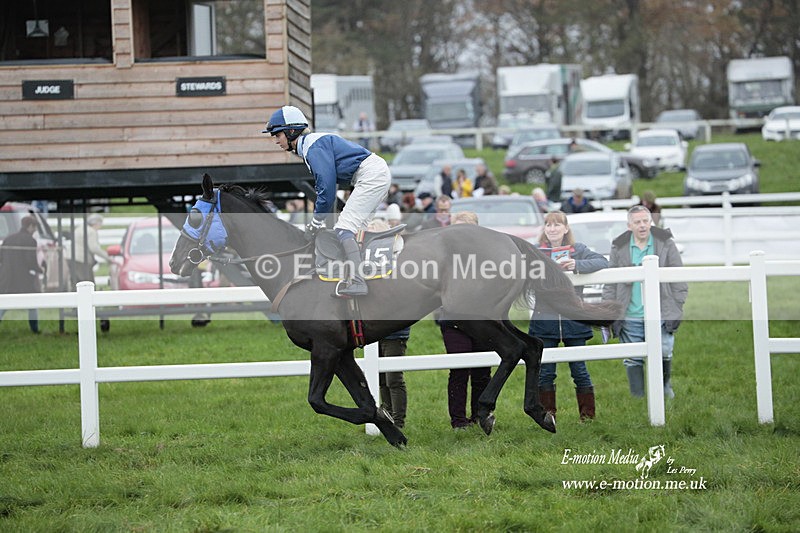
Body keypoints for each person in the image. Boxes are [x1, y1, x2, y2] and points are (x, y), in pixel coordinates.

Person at [264, 105, 391, 297]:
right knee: (355, 230)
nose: (276, 141)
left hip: (370, 174)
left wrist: (315, 222)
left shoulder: (312, 147)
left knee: (344, 228)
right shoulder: (311, 145)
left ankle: (358, 282)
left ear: (291, 132)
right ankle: (367, 277)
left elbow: (327, 189)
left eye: (277, 135)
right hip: (372, 173)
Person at [528, 211, 609, 421]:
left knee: (580, 370)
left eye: (557, 225)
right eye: (548, 225)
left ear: (566, 228)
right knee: (545, 371)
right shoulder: (536, 252)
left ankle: (588, 417)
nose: (552, 229)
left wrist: (577, 266)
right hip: (544, 320)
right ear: (544, 229)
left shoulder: (578, 250)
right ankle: (548, 416)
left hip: (574, 321)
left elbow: (602, 261)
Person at [602, 205, 688, 399]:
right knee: (633, 358)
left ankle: (664, 389)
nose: (642, 226)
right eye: (637, 222)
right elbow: (610, 282)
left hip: (661, 312)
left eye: (645, 221)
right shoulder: (619, 246)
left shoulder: (665, 243)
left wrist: (677, 305)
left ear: (651, 222)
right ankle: (638, 397)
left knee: (665, 350)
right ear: (629, 225)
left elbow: (679, 277)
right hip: (630, 313)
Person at [439, 210, 492, 429]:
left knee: (482, 371)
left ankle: (480, 415)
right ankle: (459, 421)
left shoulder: (488, 254)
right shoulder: (443, 255)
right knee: (459, 368)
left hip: (483, 320)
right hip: (454, 320)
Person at [368, 217, 409, 428]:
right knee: (380, 378)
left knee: (393, 377)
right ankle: (387, 416)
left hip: (394, 330)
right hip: (374, 329)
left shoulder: (397, 264)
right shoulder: (369, 267)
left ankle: (398, 421)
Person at [0, 216, 41, 333]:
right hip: (24, 278)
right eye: (34, 227)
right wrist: (40, 269)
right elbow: (31, 261)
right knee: (32, 303)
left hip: (7, 277)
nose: (35, 230)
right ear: (30, 226)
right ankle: (34, 329)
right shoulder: (30, 241)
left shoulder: (8, 239)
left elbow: (1, 257)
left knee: (4, 304)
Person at [70, 213, 111, 288]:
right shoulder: (91, 231)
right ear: (96, 223)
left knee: (75, 282)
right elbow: (94, 248)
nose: (100, 226)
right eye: (100, 224)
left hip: (70, 258)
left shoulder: (80, 228)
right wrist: (108, 257)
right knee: (88, 283)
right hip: (82, 259)